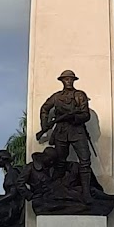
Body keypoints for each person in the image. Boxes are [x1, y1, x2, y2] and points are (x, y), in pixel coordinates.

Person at [36, 70, 94, 202]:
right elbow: (44, 108)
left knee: (85, 161)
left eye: (70, 79)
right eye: (66, 79)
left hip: (77, 130)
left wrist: (74, 117)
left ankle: (86, 193)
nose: (68, 81)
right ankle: (54, 191)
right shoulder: (56, 97)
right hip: (61, 131)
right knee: (59, 162)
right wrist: (45, 125)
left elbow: (86, 114)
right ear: (62, 81)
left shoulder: (79, 95)